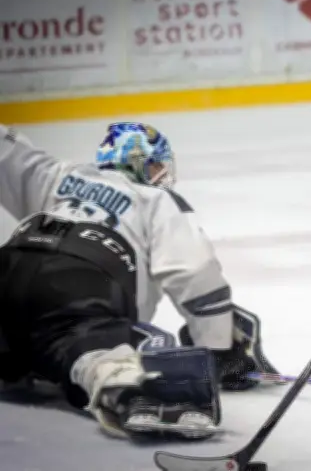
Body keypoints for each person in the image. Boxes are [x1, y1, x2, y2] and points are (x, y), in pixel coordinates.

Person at [0, 122, 278, 440]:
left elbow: (8, 152)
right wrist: (217, 346)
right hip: (77, 284)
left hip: (8, 264)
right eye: (157, 164)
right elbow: (193, 273)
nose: (162, 173)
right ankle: (127, 387)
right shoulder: (154, 198)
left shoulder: (59, 175)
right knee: (104, 348)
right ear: (142, 163)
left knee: (31, 341)